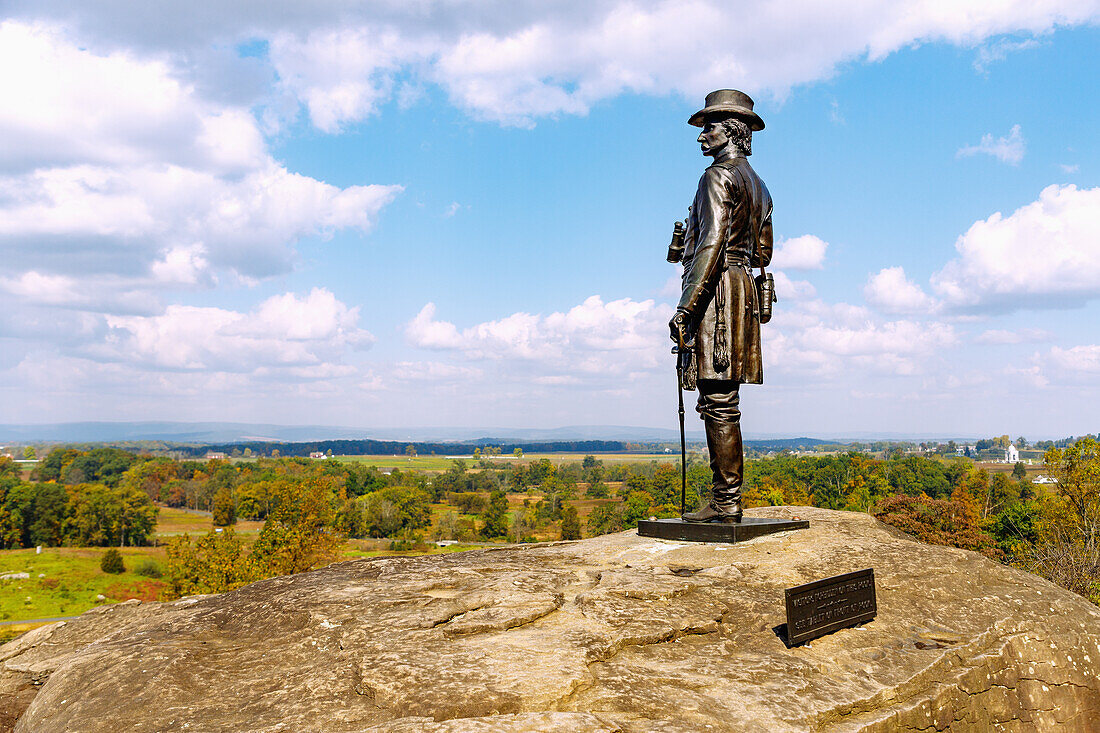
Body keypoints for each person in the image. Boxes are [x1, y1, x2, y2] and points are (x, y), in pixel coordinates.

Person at [669, 89, 773, 523]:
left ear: (732, 131)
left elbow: (712, 245)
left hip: (717, 294)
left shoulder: (717, 177)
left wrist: (687, 307)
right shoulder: (760, 186)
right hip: (742, 290)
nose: (701, 136)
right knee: (724, 402)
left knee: (719, 403)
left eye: (707, 127)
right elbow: (763, 253)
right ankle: (727, 498)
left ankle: (726, 501)